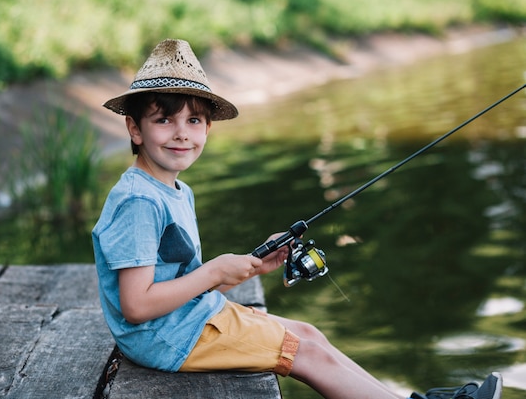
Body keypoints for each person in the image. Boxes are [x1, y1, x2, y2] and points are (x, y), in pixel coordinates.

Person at [92, 38, 503, 399]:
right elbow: (137, 305)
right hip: (165, 339)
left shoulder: (175, 189)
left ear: (208, 129)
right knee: (304, 354)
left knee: (309, 335)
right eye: (164, 119)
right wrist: (216, 271)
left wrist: (251, 265)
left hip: (187, 319)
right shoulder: (138, 201)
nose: (181, 133)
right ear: (135, 129)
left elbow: (174, 273)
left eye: (193, 120)